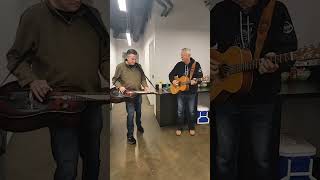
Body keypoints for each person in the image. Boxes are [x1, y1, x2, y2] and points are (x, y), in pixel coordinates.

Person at [6, 0, 109, 179]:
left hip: (92, 102)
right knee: (67, 166)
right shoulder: (33, 16)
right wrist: (32, 80)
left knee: (93, 160)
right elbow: (15, 57)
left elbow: (104, 57)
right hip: (59, 106)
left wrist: (117, 79)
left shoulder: (93, 15)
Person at [210, 0, 297, 179]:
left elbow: (290, 49)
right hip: (226, 99)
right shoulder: (220, 10)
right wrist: (206, 59)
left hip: (262, 98)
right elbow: (201, 41)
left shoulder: (275, 9)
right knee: (223, 159)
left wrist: (276, 62)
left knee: (262, 160)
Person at [112, 49, 149, 145]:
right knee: (131, 114)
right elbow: (115, 79)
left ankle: (139, 125)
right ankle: (130, 135)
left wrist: (145, 86)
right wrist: (120, 86)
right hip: (128, 96)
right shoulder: (120, 67)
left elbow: (143, 78)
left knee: (139, 112)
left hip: (138, 94)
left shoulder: (138, 66)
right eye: (132, 59)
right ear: (127, 58)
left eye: (135, 59)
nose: (134, 61)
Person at [169, 48, 203, 136]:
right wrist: (173, 81)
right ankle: (179, 128)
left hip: (192, 92)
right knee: (180, 111)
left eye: (183, 55)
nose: (181, 56)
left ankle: (191, 127)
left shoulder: (196, 65)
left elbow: (200, 77)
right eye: (181, 55)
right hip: (180, 92)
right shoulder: (179, 64)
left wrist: (196, 81)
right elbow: (171, 74)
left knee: (191, 111)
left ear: (188, 55)